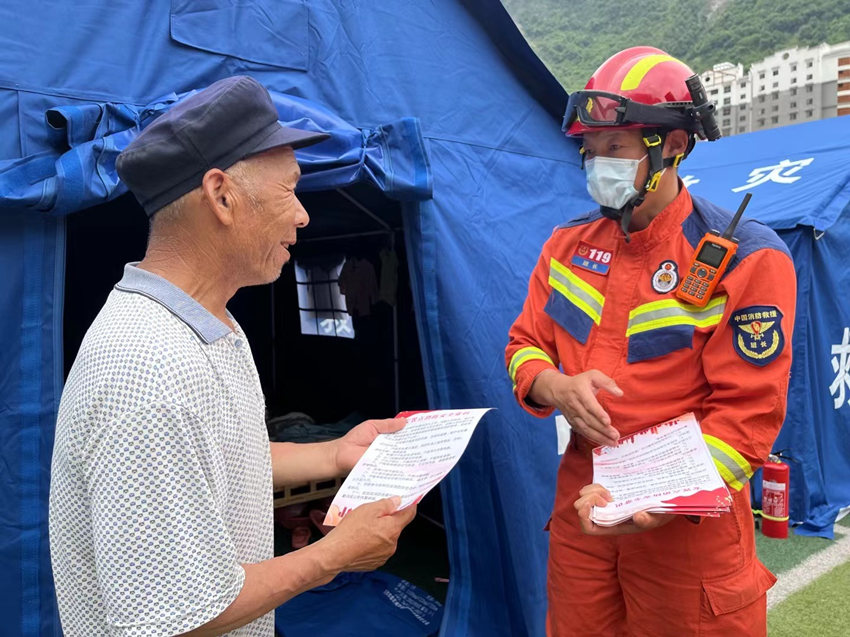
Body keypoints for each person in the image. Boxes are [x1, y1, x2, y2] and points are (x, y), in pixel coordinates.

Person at [49, 75, 416, 637]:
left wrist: (337, 455)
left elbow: (220, 460)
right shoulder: (144, 370)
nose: (304, 215)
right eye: (290, 189)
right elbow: (174, 619)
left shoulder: (214, 322)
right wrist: (333, 556)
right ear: (222, 195)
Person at [505, 47, 796, 635]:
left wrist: (664, 496)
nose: (597, 164)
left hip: (688, 529)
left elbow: (747, 416)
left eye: (616, 148)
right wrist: (553, 383)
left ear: (673, 146)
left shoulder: (746, 258)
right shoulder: (565, 247)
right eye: (590, 149)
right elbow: (523, 344)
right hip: (584, 515)